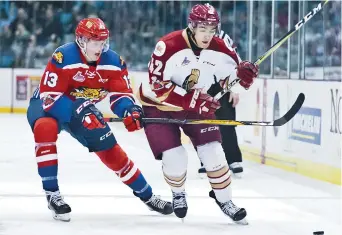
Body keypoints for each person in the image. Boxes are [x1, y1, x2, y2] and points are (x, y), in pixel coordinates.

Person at [26, 18, 173, 222]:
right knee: (45, 128)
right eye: (95, 43)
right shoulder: (63, 56)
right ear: (81, 41)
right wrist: (80, 110)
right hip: (49, 105)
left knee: (111, 151)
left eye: (103, 42)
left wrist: (129, 110)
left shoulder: (113, 62)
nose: (100, 47)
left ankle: (148, 196)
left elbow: (121, 95)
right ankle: (52, 194)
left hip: (84, 110)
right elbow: (49, 97)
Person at [136, 3, 258, 223]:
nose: (208, 35)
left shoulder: (221, 47)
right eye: (203, 29)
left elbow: (231, 81)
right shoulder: (168, 45)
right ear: (191, 26)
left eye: (212, 30)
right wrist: (192, 100)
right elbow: (157, 86)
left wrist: (243, 79)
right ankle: (178, 193)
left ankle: (225, 200)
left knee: (214, 152)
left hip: (194, 105)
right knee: (175, 157)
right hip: (159, 106)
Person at [198, 31, 244, 177]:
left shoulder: (224, 38)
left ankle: (233, 159)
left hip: (223, 84)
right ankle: (207, 161)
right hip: (202, 84)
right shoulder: (192, 37)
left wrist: (234, 88)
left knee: (227, 122)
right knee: (203, 124)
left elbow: (236, 63)